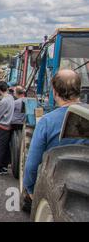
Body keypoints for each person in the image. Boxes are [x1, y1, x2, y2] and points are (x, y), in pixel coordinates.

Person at [23, 70, 89, 203]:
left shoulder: (47, 121)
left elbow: (32, 164)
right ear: (79, 89)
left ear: (54, 91)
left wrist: (30, 189)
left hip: (58, 185)